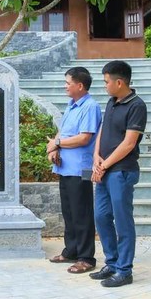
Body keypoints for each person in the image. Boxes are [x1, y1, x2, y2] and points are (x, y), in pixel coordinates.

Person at [90, 60, 147, 288]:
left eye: (106, 82)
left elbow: (128, 143)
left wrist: (104, 166)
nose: (104, 86)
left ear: (119, 82)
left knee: (122, 221)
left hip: (121, 172)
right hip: (104, 170)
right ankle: (112, 263)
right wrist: (96, 156)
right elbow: (103, 129)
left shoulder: (137, 106)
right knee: (101, 216)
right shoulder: (112, 101)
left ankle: (124, 270)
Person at [46, 67, 102, 274]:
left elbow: (84, 138)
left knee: (82, 213)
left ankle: (86, 257)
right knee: (69, 212)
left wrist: (57, 143)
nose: (65, 86)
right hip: (65, 168)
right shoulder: (71, 106)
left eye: (67, 82)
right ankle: (71, 250)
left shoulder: (90, 106)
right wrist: (54, 148)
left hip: (82, 169)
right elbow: (62, 133)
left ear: (80, 85)